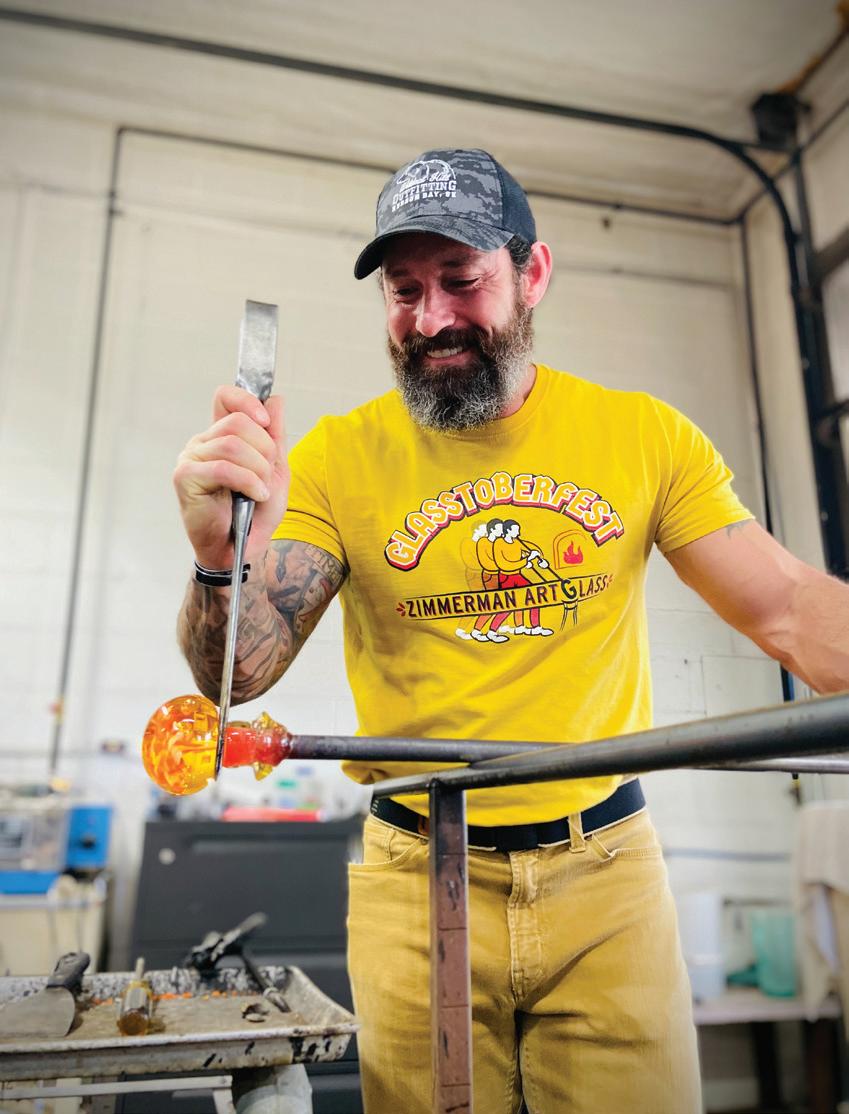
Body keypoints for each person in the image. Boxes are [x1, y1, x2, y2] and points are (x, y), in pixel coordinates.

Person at [174, 148, 849, 1113]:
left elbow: (786, 609)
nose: (431, 318)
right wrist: (219, 558)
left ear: (532, 273)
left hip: (606, 875)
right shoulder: (334, 458)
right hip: (418, 874)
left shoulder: (641, 437)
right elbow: (238, 674)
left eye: (461, 279)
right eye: (404, 291)